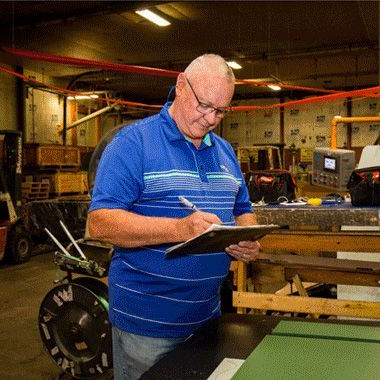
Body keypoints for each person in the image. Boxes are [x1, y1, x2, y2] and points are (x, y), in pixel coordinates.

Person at [88, 54, 260, 380]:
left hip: (208, 320)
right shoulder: (132, 144)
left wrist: (247, 238)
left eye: (220, 111)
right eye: (203, 105)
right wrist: (180, 228)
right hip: (148, 328)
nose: (210, 118)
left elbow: (242, 210)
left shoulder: (225, 152)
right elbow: (100, 223)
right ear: (181, 85)